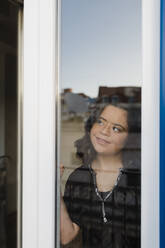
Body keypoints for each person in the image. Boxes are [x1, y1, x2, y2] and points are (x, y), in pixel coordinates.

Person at [60, 100, 141, 248]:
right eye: (101, 122)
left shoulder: (140, 179)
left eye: (116, 128)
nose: (104, 131)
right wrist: (53, 188)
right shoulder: (78, 177)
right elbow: (67, 236)